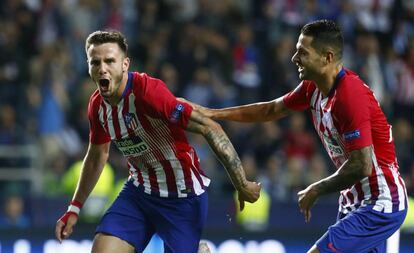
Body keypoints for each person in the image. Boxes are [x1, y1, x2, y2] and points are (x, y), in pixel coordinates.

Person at [184, 20, 408, 253]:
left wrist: (316, 189)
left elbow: (362, 165)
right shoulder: (313, 88)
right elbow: (270, 110)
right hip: (353, 202)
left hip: (380, 202)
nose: (294, 58)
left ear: (327, 57)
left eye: (303, 52)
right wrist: (213, 113)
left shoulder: (350, 96)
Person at [54, 30, 261, 253]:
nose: (102, 68)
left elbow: (209, 127)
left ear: (125, 64)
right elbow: (97, 156)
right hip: (140, 193)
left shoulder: (148, 93)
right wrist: (74, 208)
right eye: (95, 62)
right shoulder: (97, 106)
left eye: (109, 61)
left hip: (182, 197)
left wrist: (241, 184)